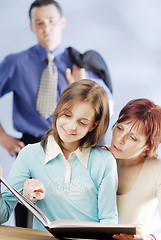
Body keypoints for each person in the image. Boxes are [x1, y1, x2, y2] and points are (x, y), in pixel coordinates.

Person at [0, 0, 113, 227]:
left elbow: (106, 105)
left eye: (51, 21)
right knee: (25, 213)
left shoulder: (81, 64)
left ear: (62, 22)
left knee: (75, 206)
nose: (46, 27)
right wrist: (3, 136)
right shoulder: (15, 63)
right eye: (39, 22)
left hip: (76, 147)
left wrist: (83, 83)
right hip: (33, 144)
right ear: (31, 26)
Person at [0, 79, 118, 231]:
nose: (71, 126)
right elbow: (3, 215)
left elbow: (109, 220)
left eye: (82, 122)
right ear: (58, 108)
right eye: (67, 115)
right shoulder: (29, 154)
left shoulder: (104, 161)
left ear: (93, 125)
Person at [108, 98, 161, 240]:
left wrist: (146, 238)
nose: (119, 140)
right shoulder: (100, 156)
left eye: (132, 138)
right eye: (119, 128)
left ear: (148, 146)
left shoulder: (157, 170)